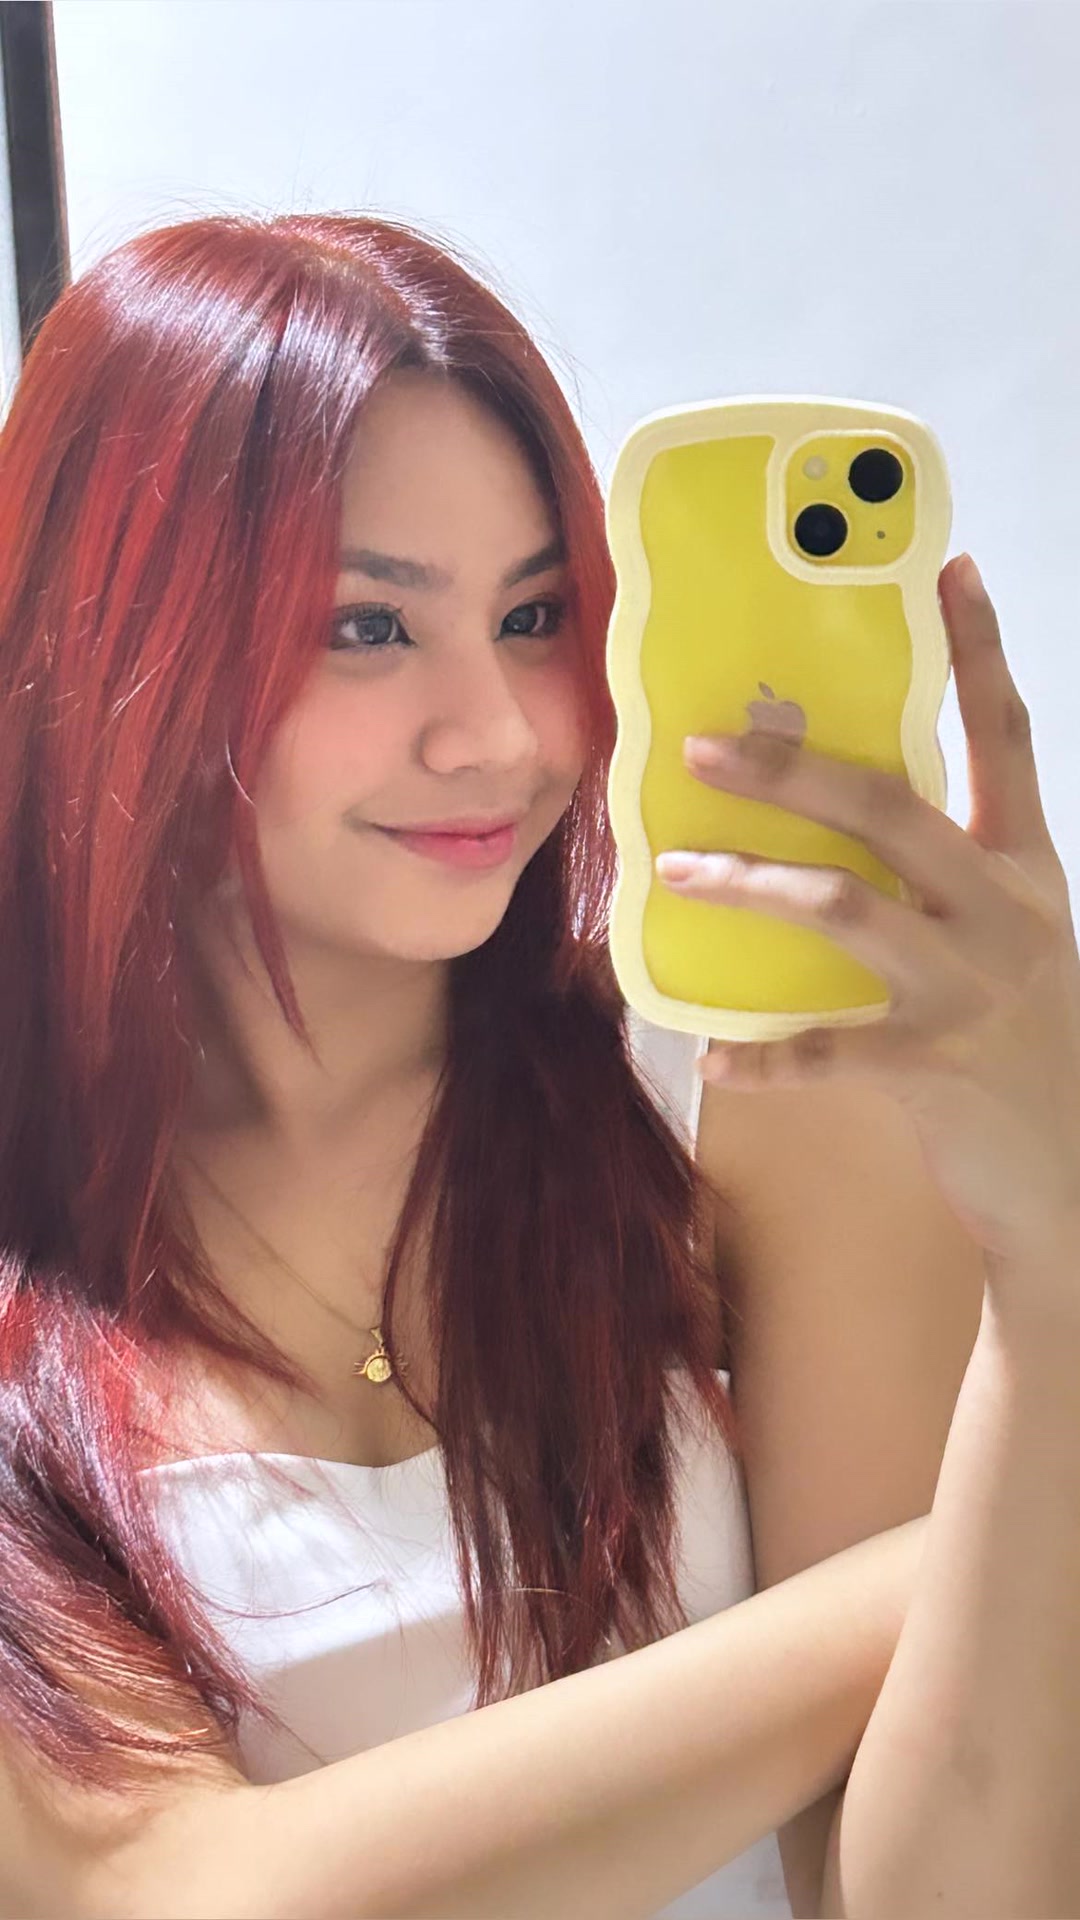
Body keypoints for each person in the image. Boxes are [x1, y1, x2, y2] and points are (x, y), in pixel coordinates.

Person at [0, 212, 1077, 1920]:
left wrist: (1057, 1267)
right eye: (370, 627)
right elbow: (170, 1896)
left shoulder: (746, 1102)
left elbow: (932, 1901)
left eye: (534, 615)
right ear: (121, 643)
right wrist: (964, 1562)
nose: (499, 731)